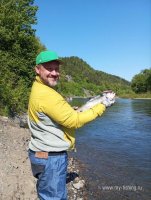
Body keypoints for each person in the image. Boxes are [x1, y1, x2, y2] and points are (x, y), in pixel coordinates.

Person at [27, 50, 114, 200]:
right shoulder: (47, 95)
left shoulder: (39, 88)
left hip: (40, 153)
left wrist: (68, 110)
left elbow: (51, 113)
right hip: (51, 158)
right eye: (49, 68)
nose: (54, 73)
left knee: (46, 192)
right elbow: (75, 121)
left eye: (57, 69)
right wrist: (103, 105)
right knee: (54, 197)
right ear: (37, 69)